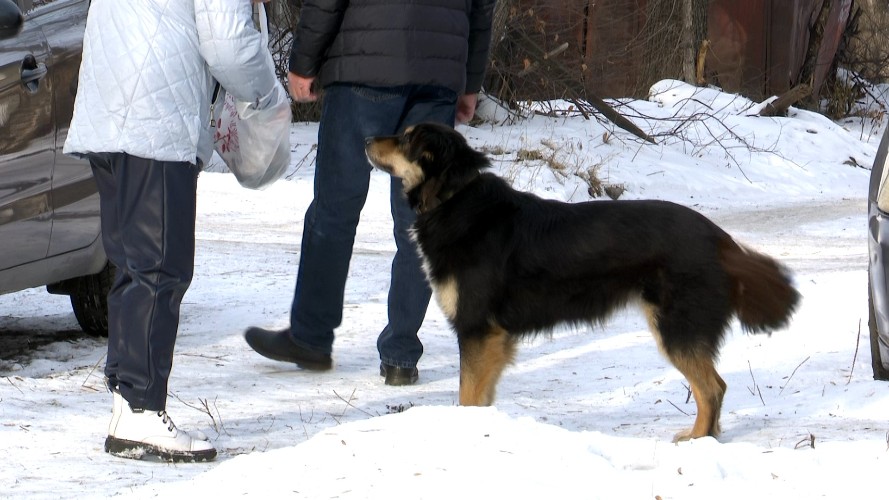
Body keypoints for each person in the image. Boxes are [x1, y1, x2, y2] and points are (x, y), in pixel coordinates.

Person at [64, 0, 278, 462]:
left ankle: (127, 402)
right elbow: (227, 41)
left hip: (110, 105)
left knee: (133, 264)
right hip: (156, 112)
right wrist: (266, 95)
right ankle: (141, 406)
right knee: (160, 267)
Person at [244, 0, 496, 385]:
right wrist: (470, 81)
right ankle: (401, 355)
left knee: (334, 211)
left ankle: (311, 338)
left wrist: (303, 61)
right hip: (436, 75)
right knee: (420, 224)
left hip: (364, 69)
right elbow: (482, 8)